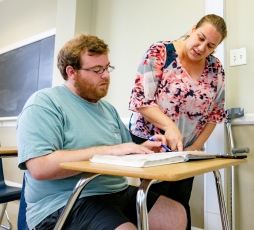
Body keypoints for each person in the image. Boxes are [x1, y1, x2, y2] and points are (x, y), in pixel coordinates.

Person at [17, 34, 187, 230]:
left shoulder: (107, 110)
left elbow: (122, 151)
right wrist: (108, 151)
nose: (106, 75)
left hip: (116, 193)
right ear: (71, 72)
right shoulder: (44, 103)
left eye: (107, 68)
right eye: (97, 70)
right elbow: (40, 167)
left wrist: (144, 148)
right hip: (67, 201)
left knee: (174, 214)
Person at [128, 14, 227, 229]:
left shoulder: (215, 68)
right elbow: (141, 100)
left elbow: (215, 115)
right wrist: (169, 126)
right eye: (200, 38)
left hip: (184, 150)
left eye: (210, 46)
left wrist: (195, 148)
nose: (202, 48)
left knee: (180, 207)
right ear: (192, 29)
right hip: (150, 142)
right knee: (154, 208)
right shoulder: (161, 52)